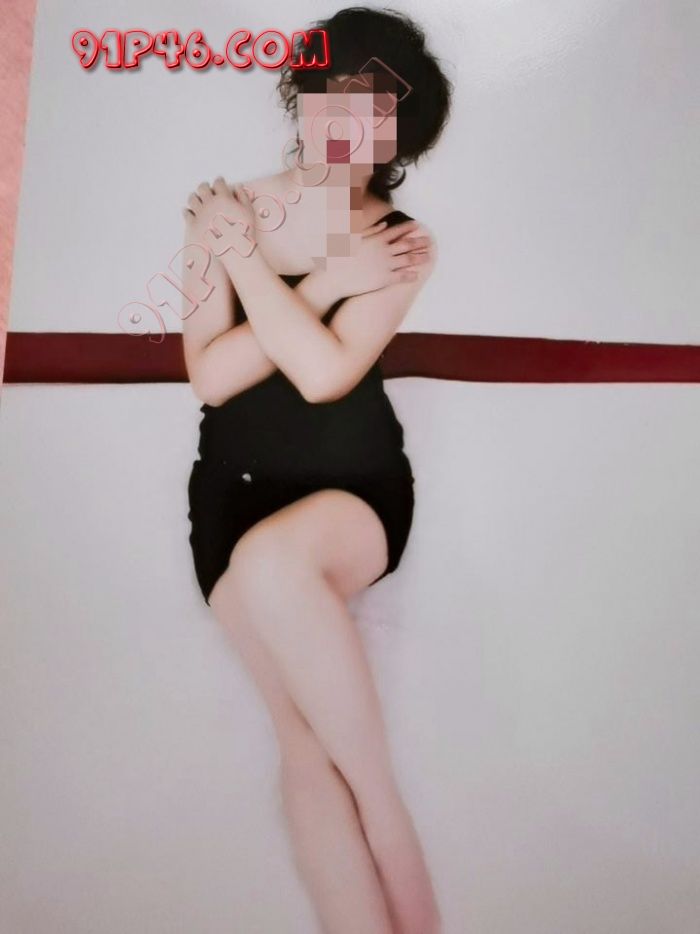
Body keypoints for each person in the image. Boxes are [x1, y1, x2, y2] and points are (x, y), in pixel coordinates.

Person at [181, 8, 452, 932]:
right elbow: (212, 378)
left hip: (354, 488)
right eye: (337, 95)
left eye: (377, 112)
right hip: (231, 493)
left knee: (280, 576)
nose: (348, 124)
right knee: (300, 741)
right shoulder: (224, 210)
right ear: (304, 96)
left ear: (400, 137)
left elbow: (325, 374)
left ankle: (388, 820)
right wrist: (327, 281)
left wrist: (252, 264)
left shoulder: (400, 240)